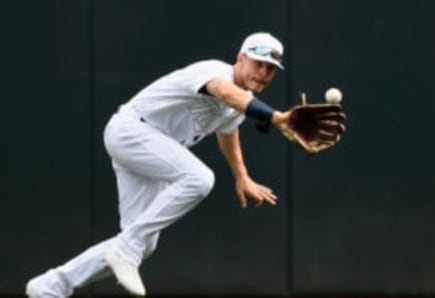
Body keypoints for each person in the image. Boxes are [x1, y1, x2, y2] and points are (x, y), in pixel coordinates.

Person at [26, 32, 290, 297]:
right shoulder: (215, 70)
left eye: (271, 69)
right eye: (258, 63)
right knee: (199, 179)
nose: (263, 72)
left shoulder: (240, 105)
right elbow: (224, 92)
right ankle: (125, 249)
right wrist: (276, 117)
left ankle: (51, 286)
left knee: (144, 243)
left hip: (151, 150)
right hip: (132, 130)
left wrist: (242, 176)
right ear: (240, 58)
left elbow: (228, 132)